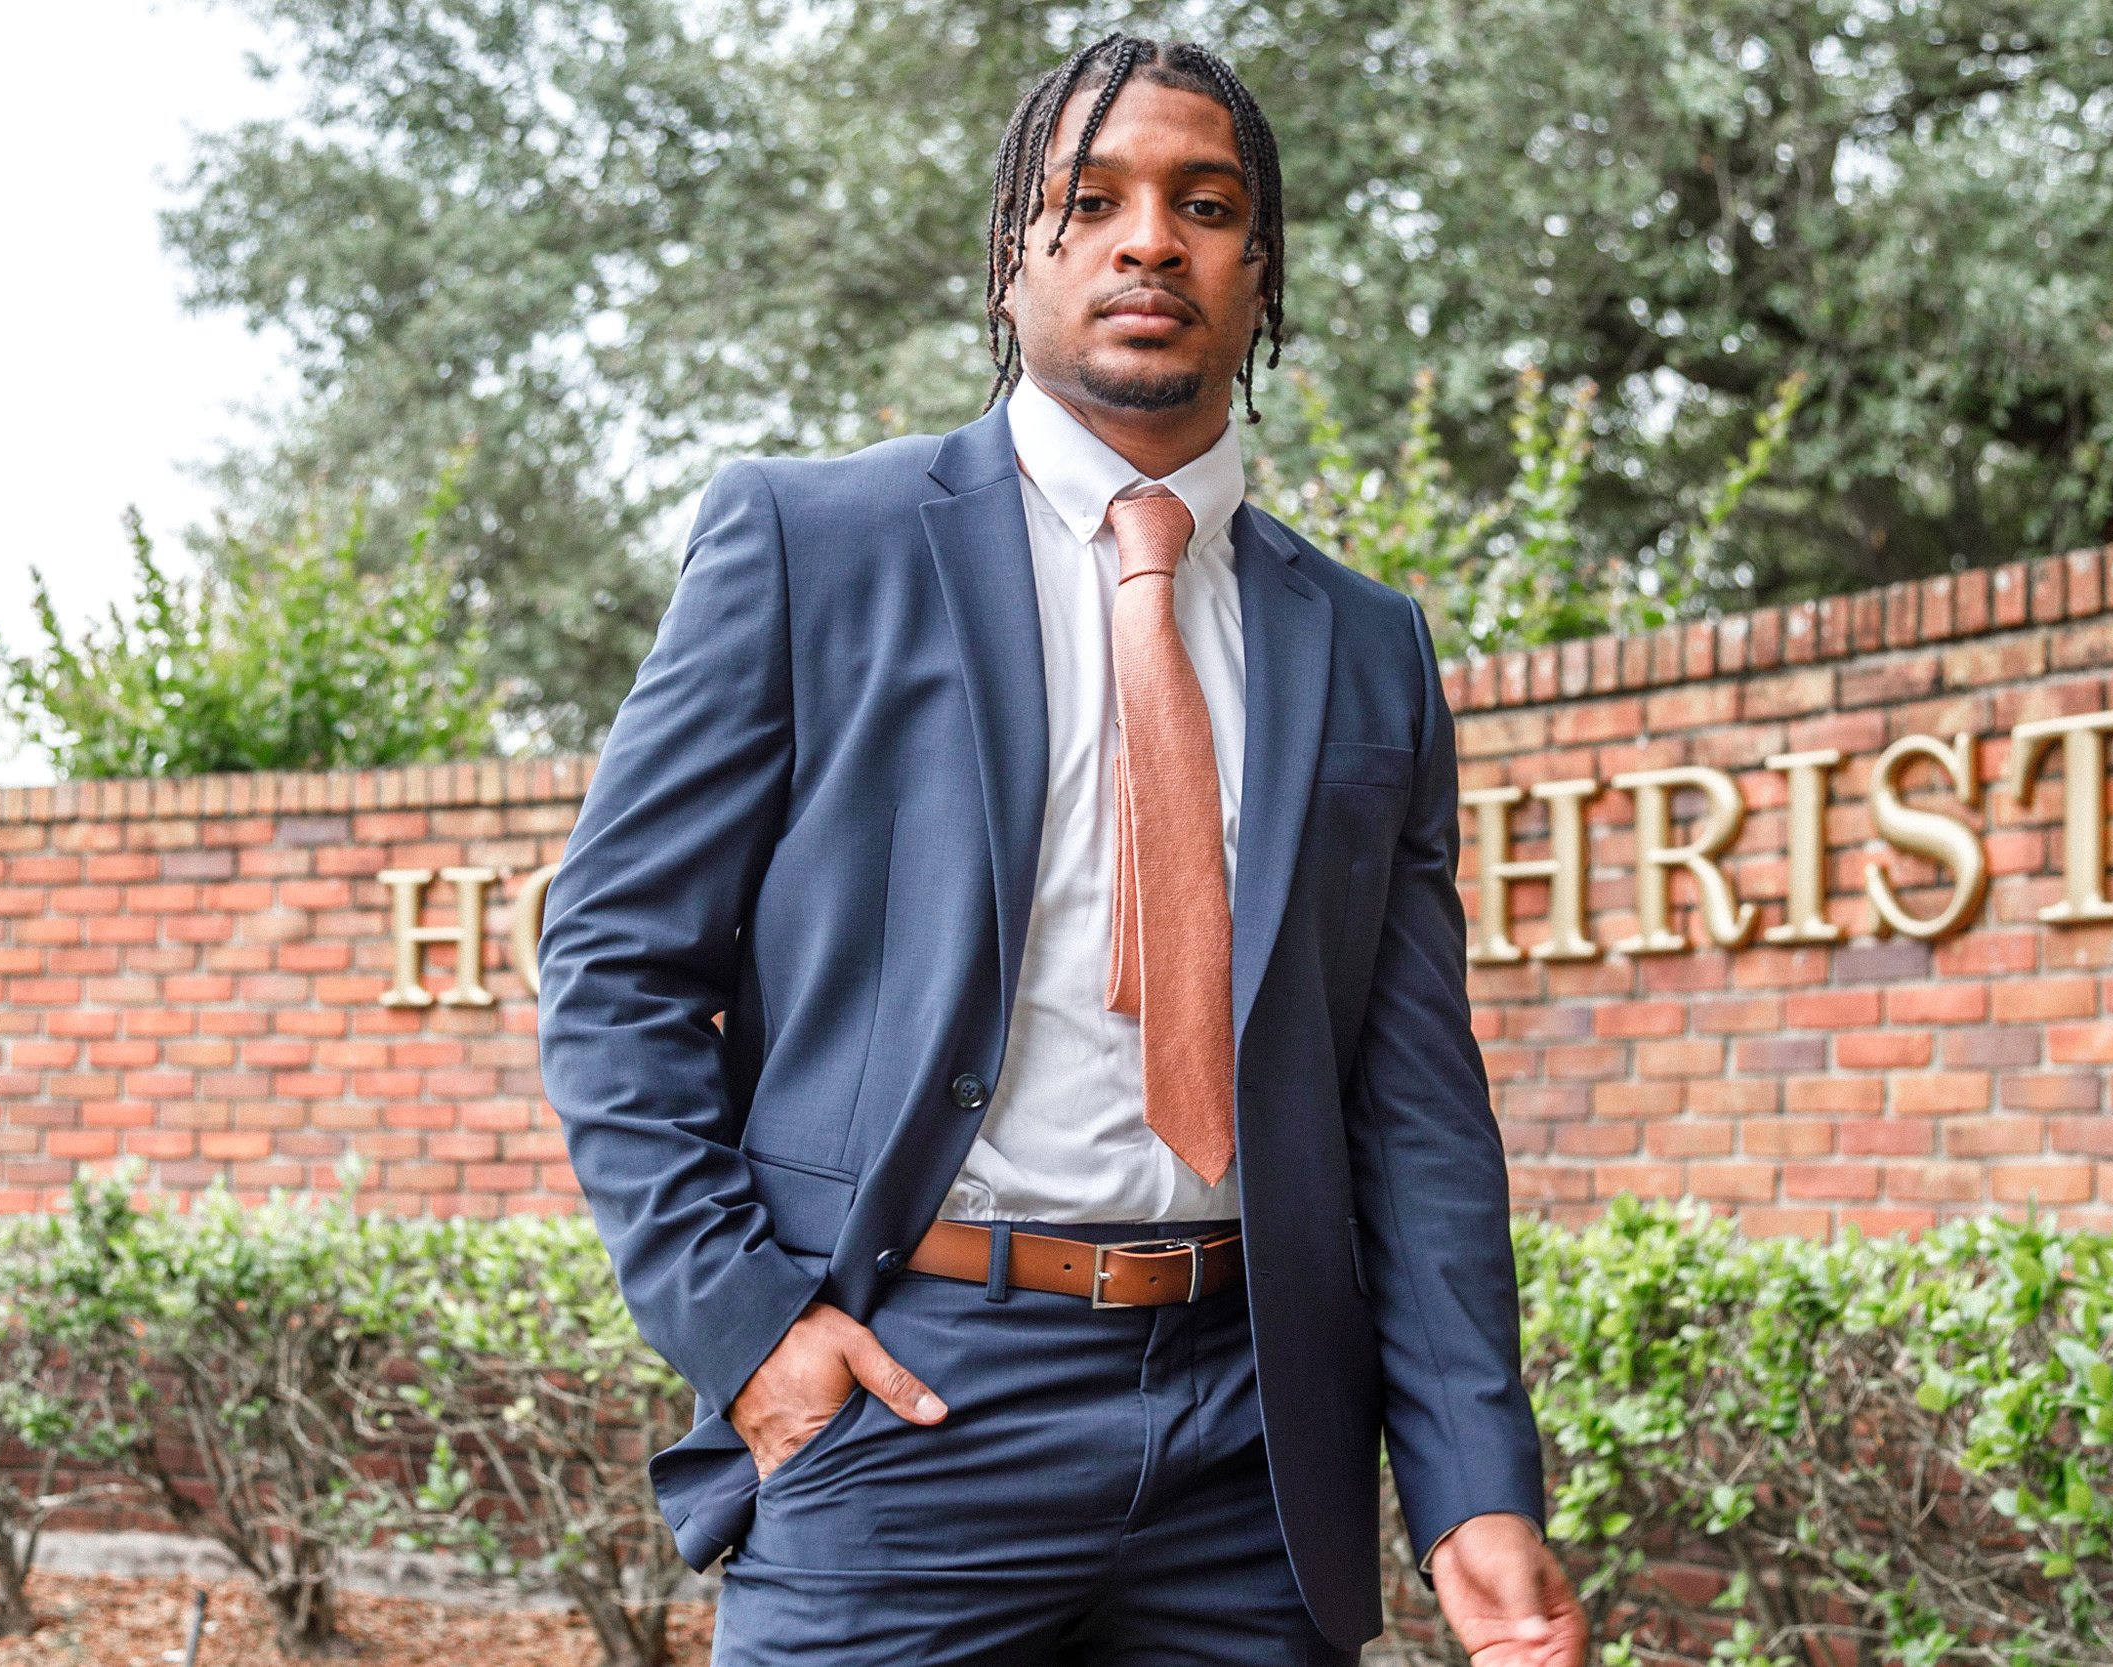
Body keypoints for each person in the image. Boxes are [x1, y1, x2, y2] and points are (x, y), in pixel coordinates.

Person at [535, 30, 1587, 1667]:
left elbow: (1414, 1096)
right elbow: (613, 964)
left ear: (1261, 270)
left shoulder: (1371, 647)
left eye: (1206, 203)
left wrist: (1473, 1484)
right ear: (1013, 262)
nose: (1149, 239)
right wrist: (753, 1332)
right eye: (1087, 200)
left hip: (1254, 1444)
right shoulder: (816, 545)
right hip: (907, 1403)